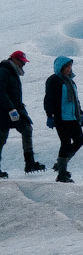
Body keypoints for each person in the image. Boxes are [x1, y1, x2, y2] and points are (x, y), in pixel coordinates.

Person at [1, 49, 46, 178]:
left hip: (15, 110)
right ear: (14, 59)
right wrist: (10, 109)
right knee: (1, 139)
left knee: (27, 129)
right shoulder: (3, 71)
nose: (23, 64)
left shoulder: (13, 72)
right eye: (22, 62)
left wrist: (18, 109)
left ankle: (30, 163)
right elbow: (1, 92)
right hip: (3, 112)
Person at [43, 57, 83, 183]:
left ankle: (61, 164)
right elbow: (49, 99)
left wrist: (81, 114)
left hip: (73, 117)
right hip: (61, 117)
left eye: (70, 66)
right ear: (60, 67)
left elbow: (76, 100)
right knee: (65, 143)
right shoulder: (53, 80)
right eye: (67, 66)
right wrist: (50, 115)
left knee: (79, 141)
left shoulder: (71, 81)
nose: (69, 69)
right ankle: (61, 174)